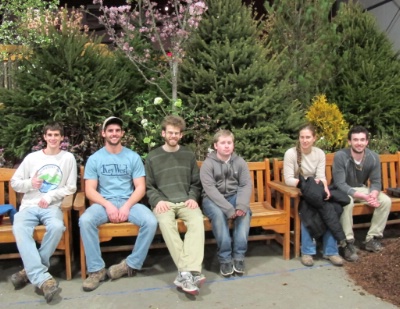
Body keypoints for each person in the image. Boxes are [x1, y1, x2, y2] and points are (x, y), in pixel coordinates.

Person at [79, 116, 158, 292]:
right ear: (103, 133)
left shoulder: (133, 157)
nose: (114, 134)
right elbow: (90, 190)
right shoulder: (95, 158)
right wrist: (107, 205)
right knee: (85, 221)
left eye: (117, 130)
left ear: (122, 133)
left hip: (127, 201)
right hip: (104, 202)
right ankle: (96, 270)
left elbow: (140, 187)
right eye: (110, 130)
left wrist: (127, 206)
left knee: (151, 221)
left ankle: (130, 264)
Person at [10, 122, 77, 303]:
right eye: (50, 135)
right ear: (44, 137)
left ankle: (29, 271)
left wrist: (50, 196)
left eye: (56, 135)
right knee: (20, 228)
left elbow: (71, 187)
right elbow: (15, 183)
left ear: (62, 138)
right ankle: (43, 279)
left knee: (57, 227)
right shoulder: (32, 158)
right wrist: (30, 183)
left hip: (52, 207)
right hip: (29, 206)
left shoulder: (68, 158)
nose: (53, 138)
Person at [145, 115, 204, 296]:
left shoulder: (187, 154)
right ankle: (188, 271)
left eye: (176, 133)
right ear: (163, 133)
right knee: (166, 225)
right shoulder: (153, 157)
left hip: (186, 201)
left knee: (197, 221)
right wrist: (158, 201)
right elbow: (149, 186)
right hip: (164, 204)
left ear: (181, 135)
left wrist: (193, 197)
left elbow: (196, 183)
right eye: (170, 132)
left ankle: (185, 272)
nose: (173, 136)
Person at [284, 124, 344, 267]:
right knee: (308, 210)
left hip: (317, 192)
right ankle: (307, 252)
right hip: (300, 193)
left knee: (332, 209)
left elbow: (321, 177)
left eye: (308, 137)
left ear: (314, 138)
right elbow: (288, 179)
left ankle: (331, 251)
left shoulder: (319, 153)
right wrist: (306, 186)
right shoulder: (291, 153)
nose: (304, 140)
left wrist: (324, 188)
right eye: (302, 137)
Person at [332, 125, 391, 260]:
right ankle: (346, 243)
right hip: (343, 190)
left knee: (385, 201)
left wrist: (373, 195)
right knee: (348, 202)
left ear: (367, 142)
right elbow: (340, 184)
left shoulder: (373, 157)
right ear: (349, 142)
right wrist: (363, 196)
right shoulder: (341, 156)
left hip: (362, 189)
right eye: (355, 140)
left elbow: (376, 182)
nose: (359, 143)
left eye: (362, 140)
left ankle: (372, 238)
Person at [200, 130, 252, 277]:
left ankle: (239, 257)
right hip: (212, 200)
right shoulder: (208, 164)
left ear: (233, 145)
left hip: (234, 196)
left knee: (245, 213)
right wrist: (229, 209)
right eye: (223, 143)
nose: (226, 146)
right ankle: (225, 258)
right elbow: (210, 190)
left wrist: (241, 205)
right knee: (218, 215)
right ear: (216, 145)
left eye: (229, 143)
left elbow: (245, 185)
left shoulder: (240, 162)